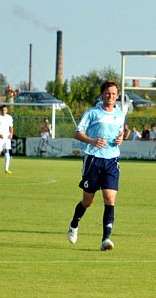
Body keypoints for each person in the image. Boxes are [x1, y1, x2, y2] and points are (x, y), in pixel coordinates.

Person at [67, 80, 126, 251]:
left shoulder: (120, 114)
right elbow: (77, 133)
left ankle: (105, 239)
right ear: (102, 94)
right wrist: (92, 141)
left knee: (109, 199)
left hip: (112, 160)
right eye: (108, 93)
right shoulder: (92, 113)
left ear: (117, 96)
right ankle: (74, 223)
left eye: (114, 94)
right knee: (87, 201)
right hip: (93, 159)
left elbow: (121, 133)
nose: (111, 96)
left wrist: (121, 139)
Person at [0, 105, 14, 174]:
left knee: (7, 151)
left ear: (7, 110)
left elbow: (11, 126)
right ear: (0, 110)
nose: (4, 111)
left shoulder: (9, 117)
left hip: (7, 137)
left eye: (5, 110)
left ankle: (6, 169)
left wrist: (11, 134)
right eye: (2, 110)